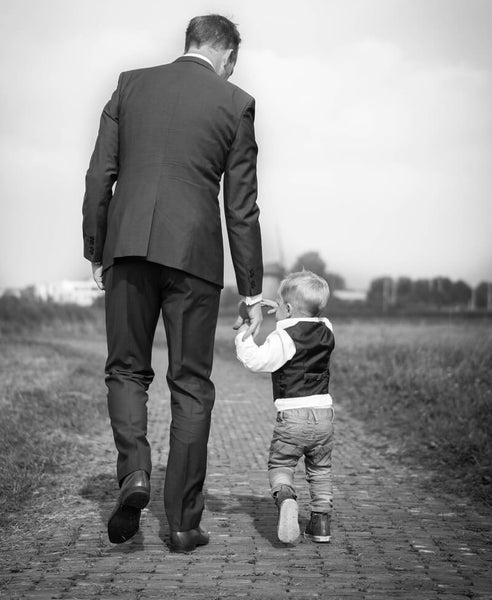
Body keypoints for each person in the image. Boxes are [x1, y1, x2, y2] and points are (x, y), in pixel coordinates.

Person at [82, 14, 263, 553]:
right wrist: (251, 291)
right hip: (194, 258)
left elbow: (99, 175)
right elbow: (242, 207)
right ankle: (183, 524)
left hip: (129, 248)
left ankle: (135, 474)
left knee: (125, 369)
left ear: (189, 43)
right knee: (190, 384)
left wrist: (97, 248)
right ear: (228, 55)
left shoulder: (130, 83)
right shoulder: (235, 103)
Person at [235, 271, 335, 544]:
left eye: (280, 304)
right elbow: (314, 315)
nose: (276, 308)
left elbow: (256, 361)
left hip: (292, 416)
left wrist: (245, 330)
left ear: (288, 309)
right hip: (324, 415)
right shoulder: (327, 329)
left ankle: (287, 497)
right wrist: (283, 308)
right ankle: (321, 524)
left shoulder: (284, 338)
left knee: (281, 463)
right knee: (320, 469)